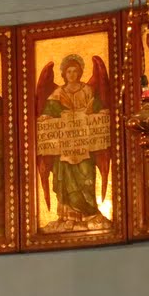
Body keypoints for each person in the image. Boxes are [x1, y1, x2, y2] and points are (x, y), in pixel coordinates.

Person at [39, 54, 108, 229]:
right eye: (68, 71)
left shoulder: (88, 91)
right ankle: (68, 216)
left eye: (75, 71)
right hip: (64, 148)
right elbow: (48, 112)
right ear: (63, 74)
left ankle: (89, 214)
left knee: (86, 178)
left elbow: (99, 109)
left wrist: (99, 115)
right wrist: (45, 119)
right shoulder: (58, 93)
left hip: (84, 145)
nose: (72, 74)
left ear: (80, 72)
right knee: (64, 180)